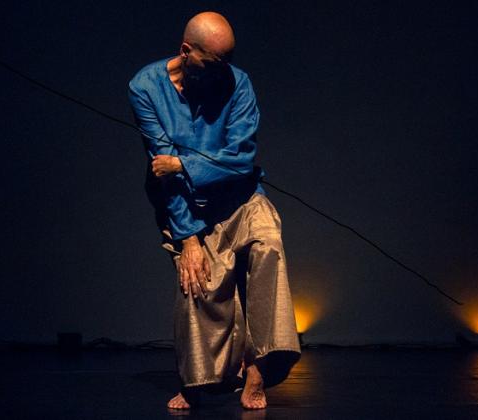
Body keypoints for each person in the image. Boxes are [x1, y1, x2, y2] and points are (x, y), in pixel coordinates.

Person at [127, 11, 301, 410]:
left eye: (228, 60)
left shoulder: (239, 84)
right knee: (200, 280)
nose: (224, 70)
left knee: (268, 244)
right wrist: (188, 238)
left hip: (242, 197)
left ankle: (258, 368)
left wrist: (186, 164)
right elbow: (162, 169)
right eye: (214, 61)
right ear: (186, 52)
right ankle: (200, 381)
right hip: (188, 206)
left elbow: (240, 159)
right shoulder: (145, 87)